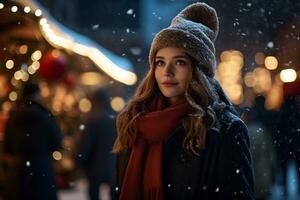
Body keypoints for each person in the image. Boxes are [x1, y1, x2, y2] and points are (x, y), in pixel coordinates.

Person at [113, 2, 254, 200]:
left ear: (198, 70)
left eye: (179, 62)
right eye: (160, 62)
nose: (167, 72)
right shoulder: (134, 123)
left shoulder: (224, 130)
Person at [2, 81, 62, 200]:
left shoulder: (13, 116)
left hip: (19, 171)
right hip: (42, 168)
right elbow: (56, 142)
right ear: (36, 94)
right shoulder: (45, 116)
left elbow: (7, 146)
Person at [76, 89, 116, 200]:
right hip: (113, 164)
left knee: (94, 194)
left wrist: (79, 160)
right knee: (114, 194)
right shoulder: (115, 118)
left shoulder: (92, 119)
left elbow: (86, 144)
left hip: (95, 165)